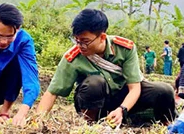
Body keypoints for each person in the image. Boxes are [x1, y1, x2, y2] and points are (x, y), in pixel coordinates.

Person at [36, 9, 176, 125]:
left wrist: (122, 109)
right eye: (76, 40)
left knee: (164, 90)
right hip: (96, 103)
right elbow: (52, 92)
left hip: (125, 100)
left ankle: (164, 125)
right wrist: (37, 121)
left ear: (102, 37)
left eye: (85, 41)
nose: (80, 46)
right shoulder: (73, 57)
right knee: (94, 83)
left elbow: (135, 88)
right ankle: (90, 124)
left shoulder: (125, 48)